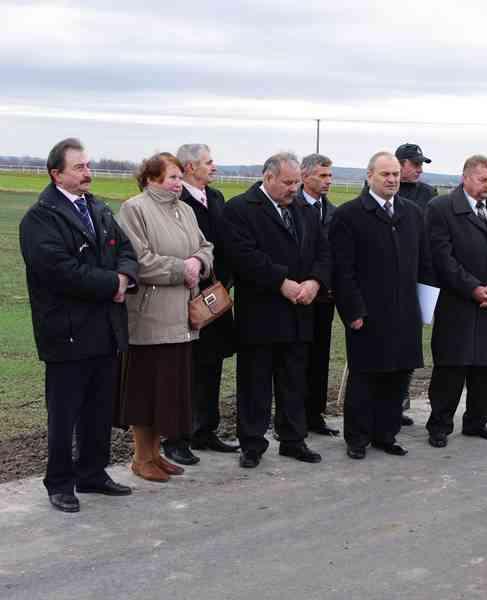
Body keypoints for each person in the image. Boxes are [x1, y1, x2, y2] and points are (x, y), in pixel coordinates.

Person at [19, 138, 138, 512]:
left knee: (99, 409)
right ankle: (59, 482)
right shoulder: (40, 218)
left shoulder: (98, 208)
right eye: (79, 168)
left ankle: (92, 473)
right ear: (56, 173)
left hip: (105, 328)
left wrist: (126, 277)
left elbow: (126, 251)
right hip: (67, 332)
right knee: (65, 412)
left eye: (88, 166)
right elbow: (58, 271)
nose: (88, 173)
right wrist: (114, 284)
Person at [223, 152, 331, 468]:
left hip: (300, 310)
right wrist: (281, 282)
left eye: (297, 182)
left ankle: (293, 440)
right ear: (267, 178)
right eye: (287, 182)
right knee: (255, 381)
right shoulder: (240, 209)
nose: (294, 188)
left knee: (294, 379)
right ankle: (252, 444)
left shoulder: (304, 210)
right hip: (261, 311)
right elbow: (244, 256)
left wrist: (314, 282)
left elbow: (323, 251)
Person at [330, 151, 435, 459]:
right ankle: (357, 438)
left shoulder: (413, 213)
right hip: (368, 314)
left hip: (405, 313)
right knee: (366, 377)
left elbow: (425, 264)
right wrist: (353, 312)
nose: (391, 180)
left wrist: (426, 307)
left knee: (398, 376)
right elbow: (342, 271)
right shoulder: (349, 215)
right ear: (370, 176)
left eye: (395, 175)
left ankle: (386, 434)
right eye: (385, 174)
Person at [116, 153, 214, 482]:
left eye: (179, 177)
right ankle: (141, 457)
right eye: (172, 177)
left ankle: (156, 455)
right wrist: (179, 269)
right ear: (151, 179)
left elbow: (205, 245)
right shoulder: (134, 209)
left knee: (168, 392)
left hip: (182, 319)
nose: (177, 183)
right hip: (150, 318)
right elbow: (138, 260)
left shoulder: (185, 209)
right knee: (145, 392)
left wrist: (199, 263)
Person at [425, 154, 487, 448]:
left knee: (486, 368)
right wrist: (473, 289)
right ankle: (439, 426)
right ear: (465, 177)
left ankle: (477, 422)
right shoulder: (440, 208)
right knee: (451, 368)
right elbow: (442, 258)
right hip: (457, 304)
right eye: (483, 179)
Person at [161, 144, 238, 465]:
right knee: (184, 370)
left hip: (216, 296)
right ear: (191, 167)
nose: (214, 167)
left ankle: (205, 430)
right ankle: (176, 437)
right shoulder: (175, 202)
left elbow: (227, 243)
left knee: (211, 364)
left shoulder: (216, 199)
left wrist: (227, 280)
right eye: (208, 162)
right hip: (185, 297)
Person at [395, 143, 439, 426]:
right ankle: (380, 403)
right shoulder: (385, 188)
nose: (420, 168)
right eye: (415, 163)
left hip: (418, 279)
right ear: (400, 164)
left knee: (410, 345)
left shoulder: (428, 194)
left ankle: (400, 403)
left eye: (422, 163)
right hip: (388, 280)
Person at [296, 153, 339, 437]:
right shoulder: (292, 207)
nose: (327, 182)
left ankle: (315, 415)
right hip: (298, 295)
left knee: (320, 357)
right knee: (296, 360)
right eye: (322, 176)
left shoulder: (333, 212)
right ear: (304, 175)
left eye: (330, 176)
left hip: (325, 297)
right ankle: (292, 417)